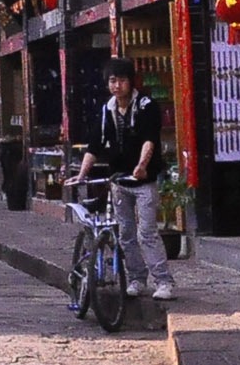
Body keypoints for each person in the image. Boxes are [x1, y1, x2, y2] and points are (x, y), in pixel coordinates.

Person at [74, 57, 173, 300]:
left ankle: (164, 282)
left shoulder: (146, 106)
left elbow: (150, 138)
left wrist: (142, 165)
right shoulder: (107, 110)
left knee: (147, 232)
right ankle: (137, 279)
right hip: (119, 181)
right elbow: (94, 145)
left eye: (121, 80)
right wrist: (81, 175)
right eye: (112, 80)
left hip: (143, 182)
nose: (117, 85)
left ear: (131, 82)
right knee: (126, 234)